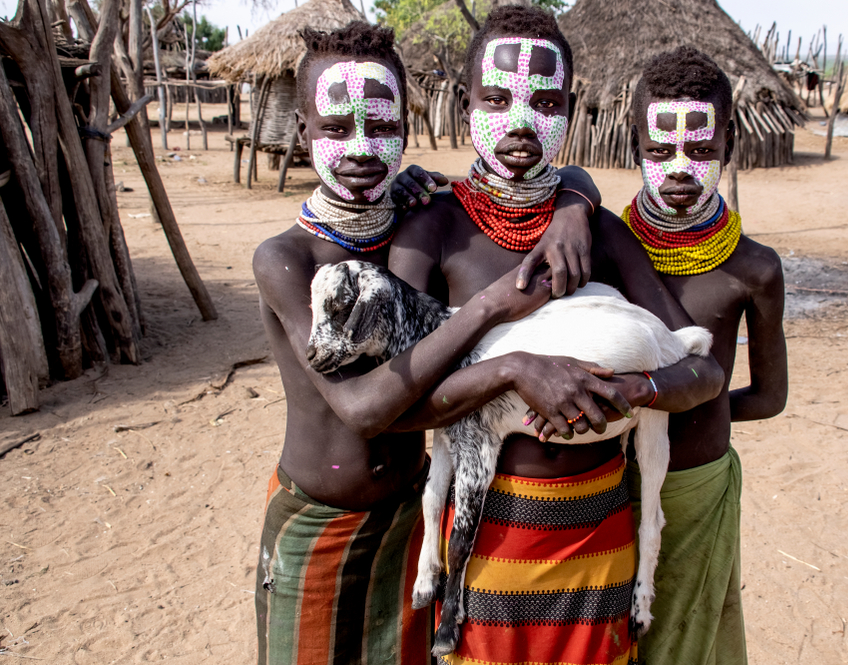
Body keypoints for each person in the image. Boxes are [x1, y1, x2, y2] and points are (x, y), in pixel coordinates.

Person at [250, 22, 634, 665]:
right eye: (336, 130)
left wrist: (573, 198)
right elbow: (367, 412)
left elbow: (559, 172)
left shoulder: (413, 223)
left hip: (411, 515)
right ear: (301, 133)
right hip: (319, 516)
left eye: (380, 126)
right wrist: (492, 318)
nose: (362, 148)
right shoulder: (286, 259)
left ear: (408, 125)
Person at [387, 8, 724, 664]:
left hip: (599, 540)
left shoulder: (598, 234)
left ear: (570, 108)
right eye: (495, 100)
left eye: (544, 103)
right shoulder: (432, 230)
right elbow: (396, 402)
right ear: (463, 105)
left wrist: (640, 386)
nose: (520, 123)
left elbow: (702, 370)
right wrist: (513, 368)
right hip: (485, 545)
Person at [621, 46, 789, 665]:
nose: (680, 168)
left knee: (684, 647)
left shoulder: (753, 268)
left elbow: (770, 397)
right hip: (611, 486)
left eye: (703, 151)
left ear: (730, 148)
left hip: (699, 492)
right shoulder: (607, 249)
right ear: (635, 143)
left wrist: (698, 412)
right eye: (660, 152)